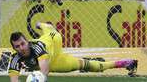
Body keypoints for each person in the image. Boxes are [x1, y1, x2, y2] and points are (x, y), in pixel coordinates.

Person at [8, 22, 138, 82]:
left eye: (23, 44)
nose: (21, 48)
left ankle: (43, 24)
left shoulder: (37, 48)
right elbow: (14, 80)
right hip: (55, 61)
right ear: (14, 49)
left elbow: (44, 73)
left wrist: (37, 80)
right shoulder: (15, 59)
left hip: (53, 41)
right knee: (87, 65)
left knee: (50, 31)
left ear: (28, 42)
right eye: (17, 46)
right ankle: (125, 63)